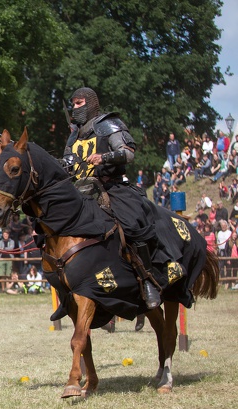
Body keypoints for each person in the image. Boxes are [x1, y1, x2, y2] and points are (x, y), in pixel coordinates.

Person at [63, 87, 161, 309]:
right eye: (74, 104)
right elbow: (68, 163)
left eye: (79, 104)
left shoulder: (108, 124)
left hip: (110, 188)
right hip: (80, 191)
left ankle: (147, 280)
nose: (75, 108)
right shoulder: (74, 133)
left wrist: (104, 156)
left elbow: (128, 153)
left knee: (132, 223)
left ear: (90, 104)